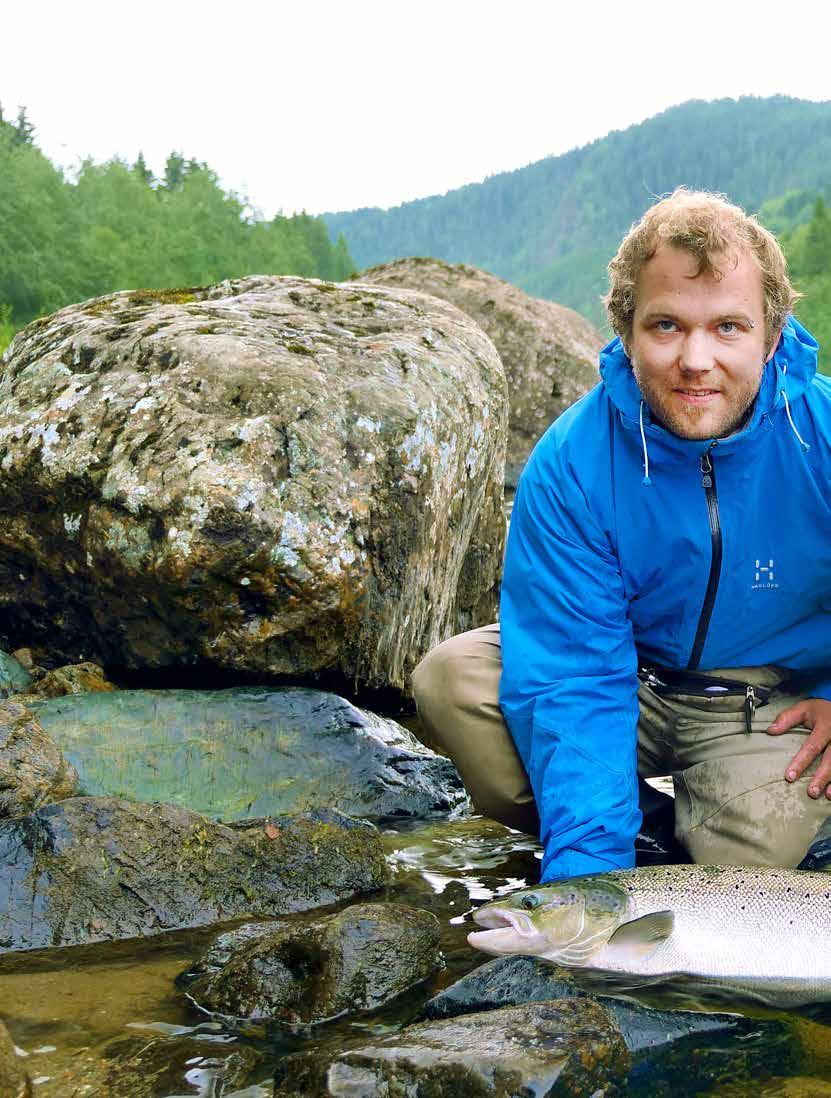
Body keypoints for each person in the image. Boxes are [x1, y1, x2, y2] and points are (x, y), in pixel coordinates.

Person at [412, 188, 831, 883]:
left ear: (772, 333)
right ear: (625, 329)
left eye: (727, 327)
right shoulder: (573, 461)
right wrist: (588, 891)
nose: (695, 359)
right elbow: (575, 676)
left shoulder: (820, 436)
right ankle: (642, 843)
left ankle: (716, 841)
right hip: (625, 676)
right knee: (454, 679)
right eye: (665, 326)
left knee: (746, 874)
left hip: (770, 699)